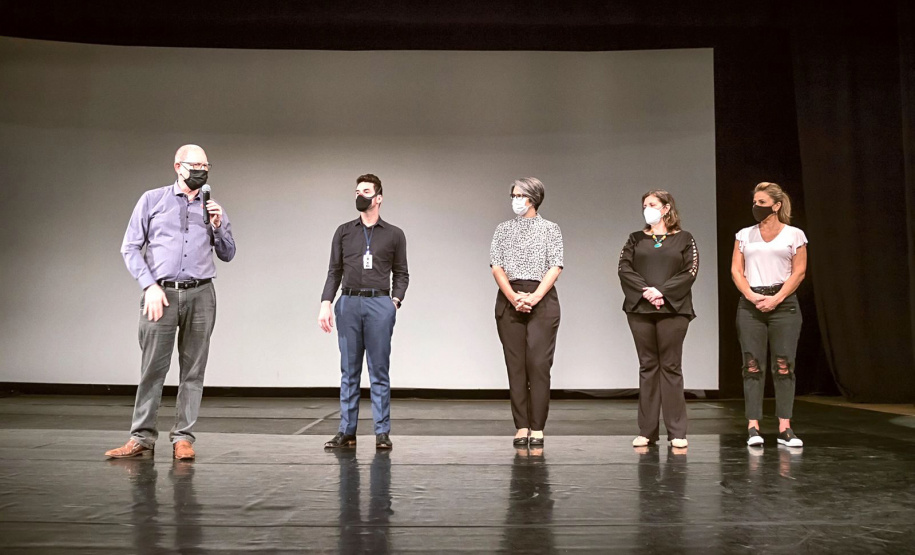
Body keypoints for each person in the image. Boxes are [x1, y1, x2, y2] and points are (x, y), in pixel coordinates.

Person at [106, 144, 236, 460]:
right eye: (195, 165)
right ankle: (141, 438)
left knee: (193, 370)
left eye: (206, 165)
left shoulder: (212, 207)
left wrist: (218, 227)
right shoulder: (152, 200)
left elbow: (228, 253)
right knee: (153, 369)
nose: (201, 170)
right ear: (178, 166)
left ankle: (183, 439)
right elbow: (130, 248)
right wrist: (149, 286)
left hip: (201, 293)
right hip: (160, 294)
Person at [319, 174, 408, 450]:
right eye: (357, 191)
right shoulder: (344, 231)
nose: (360, 195)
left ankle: (382, 432)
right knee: (349, 371)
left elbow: (402, 274)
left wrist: (394, 303)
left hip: (379, 304)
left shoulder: (394, 234)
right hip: (349, 302)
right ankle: (347, 431)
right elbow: (334, 271)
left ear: (378, 197)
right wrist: (326, 303)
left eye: (366, 191)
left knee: (379, 370)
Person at [618, 190, 698, 449]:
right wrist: (647, 291)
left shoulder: (684, 239)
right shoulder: (635, 238)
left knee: (671, 366)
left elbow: (690, 271)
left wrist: (662, 291)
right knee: (647, 366)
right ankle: (647, 431)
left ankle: (677, 432)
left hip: (673, 310)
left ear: (666, 208)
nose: (647, 209)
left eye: (652, 204)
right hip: (641, 309)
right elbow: (624, 268)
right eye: (644, 205)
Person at [730, 182, 807, 447]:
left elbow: (799, 272)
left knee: (784, 365)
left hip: (783, 305)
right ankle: (753, 426)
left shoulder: (794, 235)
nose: (756, 207)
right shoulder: (744, 235)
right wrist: (752, 296)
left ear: (776, 205)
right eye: (754, 202)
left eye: (761, 203)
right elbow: (736, 271)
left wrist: (777, 298)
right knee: (752, 365)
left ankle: (785, 427)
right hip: (751, 304)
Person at [490, 177, 563, 447]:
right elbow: (496, 265)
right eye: (513, 195)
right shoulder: (503, 229)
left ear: (533, 198)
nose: (515, 200)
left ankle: (538, 427)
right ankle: (521, 426)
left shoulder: (550, 229)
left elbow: (555, 266)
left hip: (541, 299)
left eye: (519, 195)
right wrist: (513, 297)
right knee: (516, 365)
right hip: (510, 297)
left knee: (539, 365)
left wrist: (534, 297)